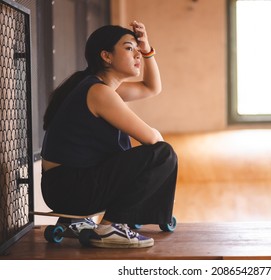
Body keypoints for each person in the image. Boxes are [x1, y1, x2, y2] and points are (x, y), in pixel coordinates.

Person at [40, 21, 178, 249]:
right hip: (71, 188)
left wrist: (147, 50)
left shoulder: (97, 86)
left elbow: (152, 88)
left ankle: (89, 221)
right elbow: (152, 140)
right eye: (128, 48)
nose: (137, 55)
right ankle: (109, 227)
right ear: (106, 56)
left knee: (157, 154)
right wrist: (160, 154)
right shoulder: (99, 92)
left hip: (62, 187)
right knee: (163, 154)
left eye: (137, 49)